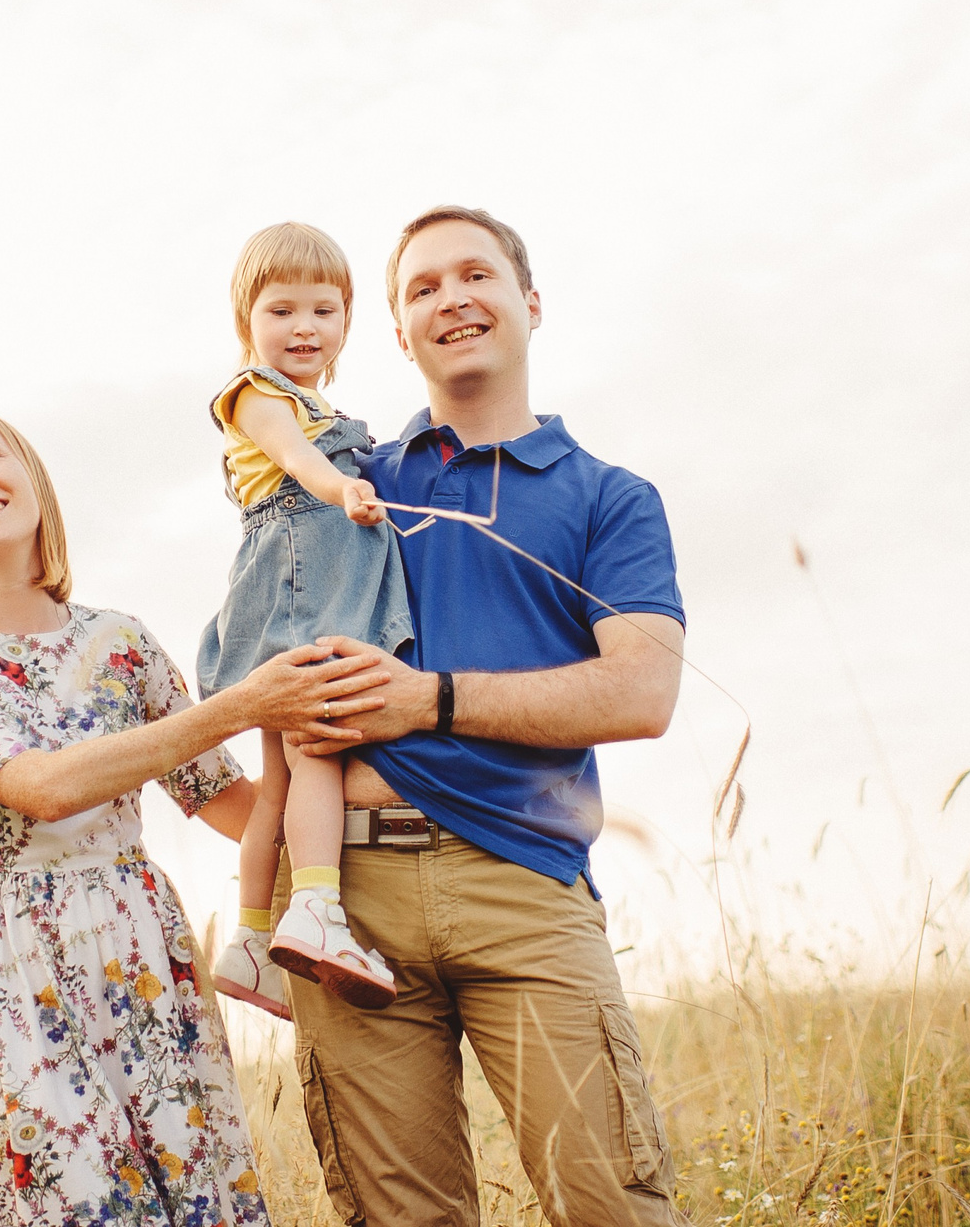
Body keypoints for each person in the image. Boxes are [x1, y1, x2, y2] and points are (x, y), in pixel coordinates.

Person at [0, 404, 397, 1227]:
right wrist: (243, 703)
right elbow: (40, 788)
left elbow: (227, 803)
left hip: (137, 951)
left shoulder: (121, 641)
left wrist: (381, 810)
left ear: (30, 478)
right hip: (4, 964)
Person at [273, 206, 690, 1227]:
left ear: (529, 303)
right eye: (421, 288)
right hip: (347, 900)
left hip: (526, 885)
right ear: (399, 332)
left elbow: (641, 692)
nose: (451, 298)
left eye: (475, 276)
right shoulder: (352, 484)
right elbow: (267, 635)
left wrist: (431, 699)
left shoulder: (609, 498)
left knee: (611, 1206)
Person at [195, 223, 415, 1018]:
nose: (304, 328)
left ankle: (252, 938)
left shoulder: (322, 401)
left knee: (280, 783)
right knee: (319, 746)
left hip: (296, 590)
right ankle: (319, 907)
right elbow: (295, 457)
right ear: (247, 321)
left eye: (324, 311)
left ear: (347, 323)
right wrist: (344, 491)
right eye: (282, 310)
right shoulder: (257, 394)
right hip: (298, 591)